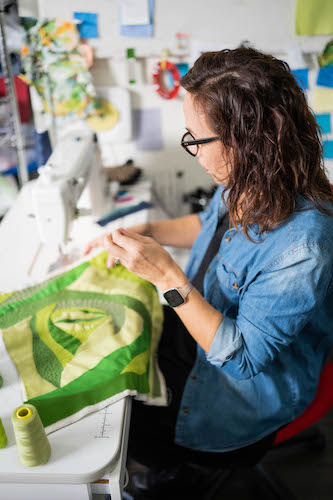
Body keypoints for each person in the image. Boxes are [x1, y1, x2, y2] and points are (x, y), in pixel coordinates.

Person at [84, 47, 333, 499]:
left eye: (198, 140)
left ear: (249, 138)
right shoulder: (254, 178)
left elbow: (242, 359)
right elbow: (208, 225)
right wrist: (149, 229)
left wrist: (167, 278)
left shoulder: (304, 246)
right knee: (113, 365)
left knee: (117, 421)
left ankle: (179, 473)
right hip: (202, 336)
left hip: (241, 395)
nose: (194, 153)